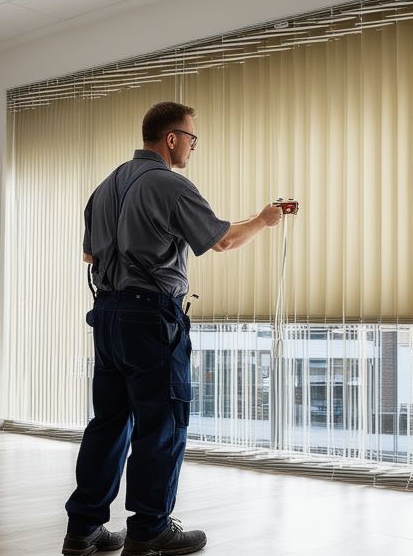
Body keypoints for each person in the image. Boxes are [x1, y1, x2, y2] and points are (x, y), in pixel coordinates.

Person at [62, 101, 282, 556]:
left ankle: (83, 530)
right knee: (161, 425)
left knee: (108, 423)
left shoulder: (105, 187)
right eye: (192, 138)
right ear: (172, 139)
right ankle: (149, 529)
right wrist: (264, 220)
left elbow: (90, 256)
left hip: (106, 315)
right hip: (150, 319)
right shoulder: (170, 184)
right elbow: (221, 240)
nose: (193, 147)